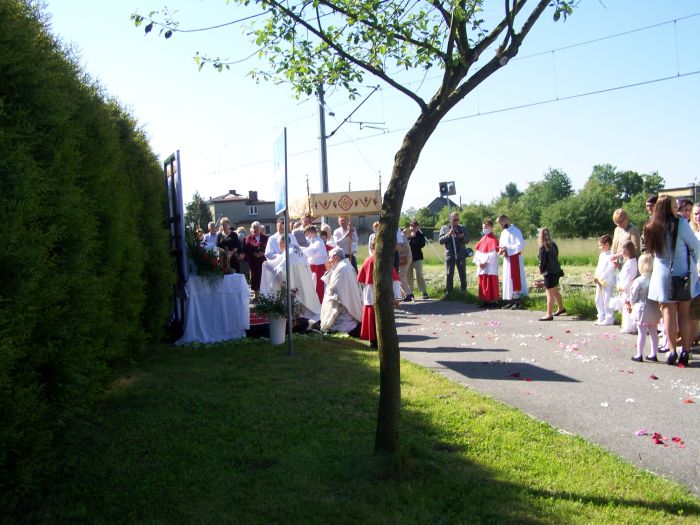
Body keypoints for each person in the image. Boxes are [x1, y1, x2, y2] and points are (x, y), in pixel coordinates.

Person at [645, 194, 700, 367]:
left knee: (668, 313)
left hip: (662, 273)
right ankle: (684, 350)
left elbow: (651, 251)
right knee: (684, 313)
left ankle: (671, 351)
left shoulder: (650, 226)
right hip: (682, 273)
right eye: (675, 206)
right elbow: (696, 247)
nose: (677, 208)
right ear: (669, 207)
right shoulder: (681, 224)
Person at [259, 236, 321, 324]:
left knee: (297, 304)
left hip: (295, 283)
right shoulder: (296, 249)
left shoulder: (289, 252)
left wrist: (268, 268)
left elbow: (281, 271)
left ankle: (299, 322)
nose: (280, 248)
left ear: (282, 244)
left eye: (279, 245)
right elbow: (281, 261)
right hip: (304, 281)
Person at [357, 240, 402, 348]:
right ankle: (383, 341)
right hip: (385, 294)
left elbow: (361, 280)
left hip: (370, 293)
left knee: (371, 318)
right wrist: (396, 296)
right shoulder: (385, 261)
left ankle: (373, 341)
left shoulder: (368, 260)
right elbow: (395, 280)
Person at [320, 247, 363, 336]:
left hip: (344, 320)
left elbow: (333, 290)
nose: (329, 260)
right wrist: (329, 270)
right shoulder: (343, 265)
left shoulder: (342, 268)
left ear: (336, 257)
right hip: (347, 308)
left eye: (330, 257)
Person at [627, 254, 662, 362]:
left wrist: (631, 304)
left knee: (641, 332)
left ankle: (639, 354)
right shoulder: (656, 279)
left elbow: (633, 296)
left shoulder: (639, 280)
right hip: (655, 308)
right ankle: (653, 353)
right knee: (654, 332)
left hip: (642, 308)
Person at [497, 214, 527, 308]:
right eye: (499, 224)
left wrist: (508, 248)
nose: (500, 225)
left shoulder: (516, 231)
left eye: (501, 223)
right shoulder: (503, 233)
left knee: (515, 277)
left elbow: (520, 245)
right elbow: (501, 245)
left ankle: (517, 299)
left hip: (515, 258)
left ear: (506, 220)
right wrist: (501, 250)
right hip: (507, 259)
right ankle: (510, 299)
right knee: (508, 279)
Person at [537, 227, 565, 321]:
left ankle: (549, 314)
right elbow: (556, 255)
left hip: (549, 272)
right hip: (557, 270)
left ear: (540, 236)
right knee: (555, 290)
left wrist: (541, 270)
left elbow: (542, 262)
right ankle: (561, 308)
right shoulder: (554, 245)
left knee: (549, 293)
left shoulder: (543, 248)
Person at [472, 218, 500, 308]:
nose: (484, 229)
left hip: (490, 266)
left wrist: (485, 263)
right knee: (483, 283)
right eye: (483, 227)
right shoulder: (482, 239)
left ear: (491, 227)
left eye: (486, 227)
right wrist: (478, 262)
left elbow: (493, 254)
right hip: (482, 266)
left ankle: (493, 301)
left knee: (491, 283)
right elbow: (477, 253)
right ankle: (485, 300)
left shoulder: (494, 239)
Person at [439, 211, 468, 294]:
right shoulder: (444, 228)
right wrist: (448, 234)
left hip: (461, 254)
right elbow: (441, 241)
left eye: (458, 220)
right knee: (449, 274)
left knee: (462, 273)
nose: (456, 221)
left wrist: (462, 237)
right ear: (450, 219)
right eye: (454, 220)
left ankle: (464, 291)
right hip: (450, 255)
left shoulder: (462, 228)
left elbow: (467, 239)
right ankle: (449, 291)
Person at [615, 241, 639, 334]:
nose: (622, 252)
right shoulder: (629, 261)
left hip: (627, 287)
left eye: (623, 250)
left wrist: (622, 287)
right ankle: (626, 325)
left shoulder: (632, 262)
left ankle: (630, 327)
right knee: (625, 307)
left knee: (628, 306)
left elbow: (629, 277)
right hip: (625, 287)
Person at [593, 234, 616, 326]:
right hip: (599, 280)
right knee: (598, 299)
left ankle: (609, 317)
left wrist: (602, 277)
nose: (599, 247)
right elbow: (599, 267)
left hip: (607, 280)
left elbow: (610, 269)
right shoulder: (602, 255)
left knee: (607, 299)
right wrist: (596, 276)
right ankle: (601, 316)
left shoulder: (611, 255)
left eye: (600, 245)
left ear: (607, 244)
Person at [301, 225, 328, 302]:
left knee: (319, 288)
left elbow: (312, 251)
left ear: (310, 233)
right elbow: (309, 249)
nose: (306, 237)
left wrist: (300, 250)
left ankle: (319, 304)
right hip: (313, 269)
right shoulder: (314, 242)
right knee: (313, 287)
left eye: (307, 235)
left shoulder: (319, 242)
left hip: (319, 269)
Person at [244, 221, 268, 301]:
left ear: (260, 228)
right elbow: (247, 248)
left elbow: (267, 247)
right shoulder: (249, 238)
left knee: (262, 276)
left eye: (257, 228)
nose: (255, 229)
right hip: (253, 260)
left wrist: (262, 253)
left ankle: (264, 294)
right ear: (252, 229)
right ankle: (256, 295)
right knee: (254, 277)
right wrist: (254, 253)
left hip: (262, 260)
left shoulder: (265, 237)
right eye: (254, 228)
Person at [406, 219, 429, 300]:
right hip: (408, 258)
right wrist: (410, 237)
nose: (413, 227)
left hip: (418, 257)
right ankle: (410, 293)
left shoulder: (420, 234)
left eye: (415, 226)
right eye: (412, 226)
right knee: (408, 275)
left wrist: (415, 237)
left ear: (417, 227)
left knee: (419, 275)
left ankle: (424, 292)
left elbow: (422, 244)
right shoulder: (407, 234)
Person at [397, 227, 414, 301]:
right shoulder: (402, 236)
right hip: (405, 258)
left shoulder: (401, 236)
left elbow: (401, 248)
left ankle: (409, 294)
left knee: (400, 277)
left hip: (404, 258)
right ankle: (406, 294)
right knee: (402, 277)